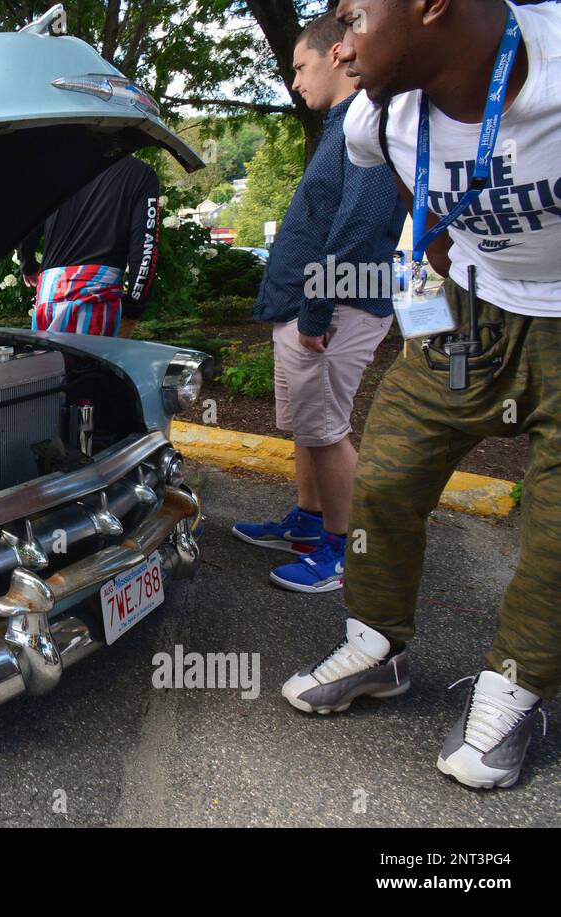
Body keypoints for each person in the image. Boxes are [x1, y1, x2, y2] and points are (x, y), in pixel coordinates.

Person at [282, 0, 561, 791]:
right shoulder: (380, 116)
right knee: (389, 473)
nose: (342, 42)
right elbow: (418, 202)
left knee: (554, 525)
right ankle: (377, 647)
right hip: (470, 311)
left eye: (354, 16)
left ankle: (515, 691)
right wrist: (441, 265)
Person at [231, 12, 405, 594]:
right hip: (316, 308)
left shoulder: (366, 119)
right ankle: (308, 526)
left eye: (301, 66)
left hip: (334, 311)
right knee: (310, 427)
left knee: (327, 431)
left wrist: (316, 309)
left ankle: (343, 550)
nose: (295, 81)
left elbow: (360, 224)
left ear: (336, 57)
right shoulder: (340, 124)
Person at [17, 155, 160, 338]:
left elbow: (26, 224)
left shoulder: (53, 168)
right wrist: (133, 309)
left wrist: (27, 264)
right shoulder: (140, 173)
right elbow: (146, 250)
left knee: (48, 366)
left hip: (49, 295)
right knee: (92, 367)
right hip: (98, 302)